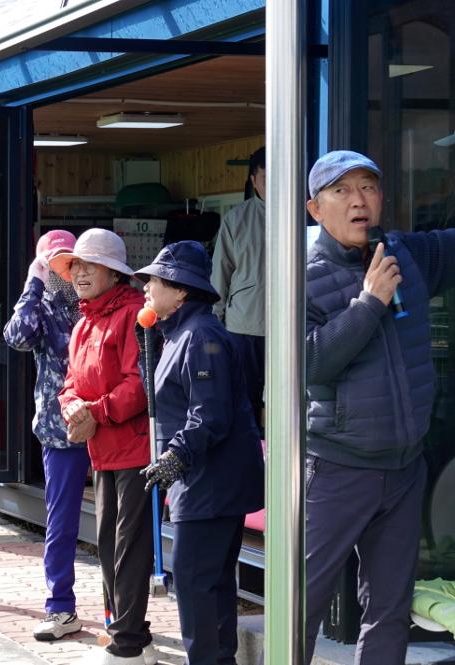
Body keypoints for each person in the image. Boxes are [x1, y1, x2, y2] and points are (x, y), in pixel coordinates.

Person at [302, 150, 455, 664]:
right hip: (337, 469)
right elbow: (310, 364)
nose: (358, 201)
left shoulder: (405, 255)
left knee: (389, 610)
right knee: (303, 604)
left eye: (368, 187)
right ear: (315, 209)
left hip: (405, 468)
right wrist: (369, 303)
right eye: (342, 191)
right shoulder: (302, 277)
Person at [135, 240, 264, 665]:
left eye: (155, 280)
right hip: (201, 480)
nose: (146, 287)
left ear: (180, 290)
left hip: (210, 482)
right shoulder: (177, 334)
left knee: (195, 584)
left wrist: (175, 456)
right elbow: (165, 401)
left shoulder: (201, 335)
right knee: (212, 583)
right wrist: (146, 344)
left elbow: (210, 414)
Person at [53, 228, 158, 665]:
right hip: (101, 448)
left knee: (128, 545)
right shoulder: (82, 323)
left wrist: (94, 411)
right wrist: (72, 408)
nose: (80, 273)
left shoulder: (135, 315)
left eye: (90, 265)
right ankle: (128, 632)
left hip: (135, 449)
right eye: (76, 265)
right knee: (107, 542)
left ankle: (127, 643)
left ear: (114, 273)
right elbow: (69, 384)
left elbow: (140, 385)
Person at [3, 229, 89, 641]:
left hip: (109, 423)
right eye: (53, 262)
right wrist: (34, 282)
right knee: (62, 523)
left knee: (119, 522)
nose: (63, 270)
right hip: (60, 431)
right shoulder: (42, 306)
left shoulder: (94, 301)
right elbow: (17, 336)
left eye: (69, 261)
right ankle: (60, 607)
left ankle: (121, 611)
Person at [210, 146, 266, 429]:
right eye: (266, 179)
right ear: (253, 180)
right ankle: (252, 449)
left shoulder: (307, 214)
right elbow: (221, 272)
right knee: (245, 398)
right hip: (243, 325)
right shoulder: (236, 219)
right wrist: (215, 321)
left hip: (296, 326)